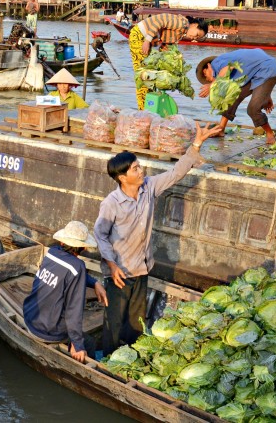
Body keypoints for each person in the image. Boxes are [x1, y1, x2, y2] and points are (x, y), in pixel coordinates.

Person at [94, 122, 221, 355]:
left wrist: (196, 144)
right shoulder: (112, 203)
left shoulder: (149, 188)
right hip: (119, 273)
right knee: (113, 321)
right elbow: (100, 234)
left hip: (141, 268)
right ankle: (108, 360)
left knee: (136, 321)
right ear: (122, 177)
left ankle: (131, 356)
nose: (141, 171)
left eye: (139, 166)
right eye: (134, 169)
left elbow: (175, 173)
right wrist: (111, 265)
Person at [23, 221, 108, 363]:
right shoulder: (78, 267)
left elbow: (68, 272)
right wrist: (77, 344)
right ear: (82, 247)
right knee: (89, 343)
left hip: (30, 317)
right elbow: (73, 310)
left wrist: (95, 282)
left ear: (62, 242)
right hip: (47, 331)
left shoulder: (52, 253)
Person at [195, 49, 276, 144]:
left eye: (206, 76)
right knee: (231, 98)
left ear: (208, 66)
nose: (208, 79)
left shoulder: (216, 63)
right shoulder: (224, 75)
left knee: (253, 109)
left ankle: (270, 134)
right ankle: (221, 129)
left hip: (268, 69)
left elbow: (229, 67)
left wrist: (212, 85)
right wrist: (267, 96)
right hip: (257, 72)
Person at [128, 13, 208, 109]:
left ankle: (148, 108)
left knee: (150, 75)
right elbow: (159, 22)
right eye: (197, 34)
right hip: (139, 35)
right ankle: (142, 110)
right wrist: (147, 41)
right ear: (195, 25)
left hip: (145, 38)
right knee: (142, 75)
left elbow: (165, 44)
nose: (194, 38)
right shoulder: (181, 23)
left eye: (197, 38)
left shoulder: (182, 31)